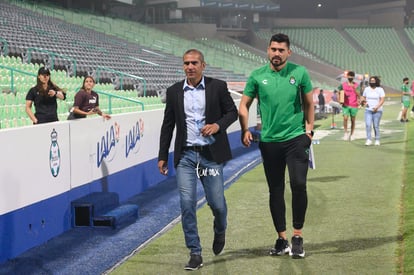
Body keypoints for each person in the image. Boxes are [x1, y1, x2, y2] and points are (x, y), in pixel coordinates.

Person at [157, 49, 238, 270]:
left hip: (210, 158)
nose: (190, 67)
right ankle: (195, 251)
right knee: (186, 203)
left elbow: (232, 113)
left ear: (203, 65)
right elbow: (168, 125)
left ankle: (220, 230)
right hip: (186, 157)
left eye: (194, 63)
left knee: (217, 205)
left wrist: (217, 126)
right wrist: (163, 155)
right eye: (186, 63)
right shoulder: (174, 91)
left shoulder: (218, 87)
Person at [238, 33, 314, 259]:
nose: (277, 53)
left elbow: (309, 102)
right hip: (269, 142)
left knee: (299, 184)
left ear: (288, 52)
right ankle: (282, 239)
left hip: (296, 138)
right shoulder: (257, 76)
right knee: (276, 190)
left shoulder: (299, 73)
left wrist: (308, 131)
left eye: (281, 50)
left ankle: (297, 236)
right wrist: (245, 128)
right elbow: (244, 105)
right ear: (268, 51)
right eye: (273, 49)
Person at [360, 76, 385, 146]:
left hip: (378, 110)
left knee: (376, 125)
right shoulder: (366, 89)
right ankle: (368, 139)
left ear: (376, 82)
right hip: (368, 110)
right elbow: (363, 97)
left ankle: (377, 140)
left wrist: (377, 107)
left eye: (373, 81)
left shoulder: (380, 90)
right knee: (368, 125)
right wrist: (363, 102)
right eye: (371, 81)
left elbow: (382, 100)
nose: (372, 82)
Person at [338, 71, 360, 141]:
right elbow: (338, 92)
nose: (350, 77)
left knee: (353, 120)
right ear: (347, 77)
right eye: (349, 76)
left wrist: (354, 88)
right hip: (345, 105)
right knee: (345, 118)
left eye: (352, 76)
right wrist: (340, 100)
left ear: (353, 77)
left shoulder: (356, 85)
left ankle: (352, 134)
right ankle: (345, 133)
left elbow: (359, 95)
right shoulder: (343, 85)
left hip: (354, 105)